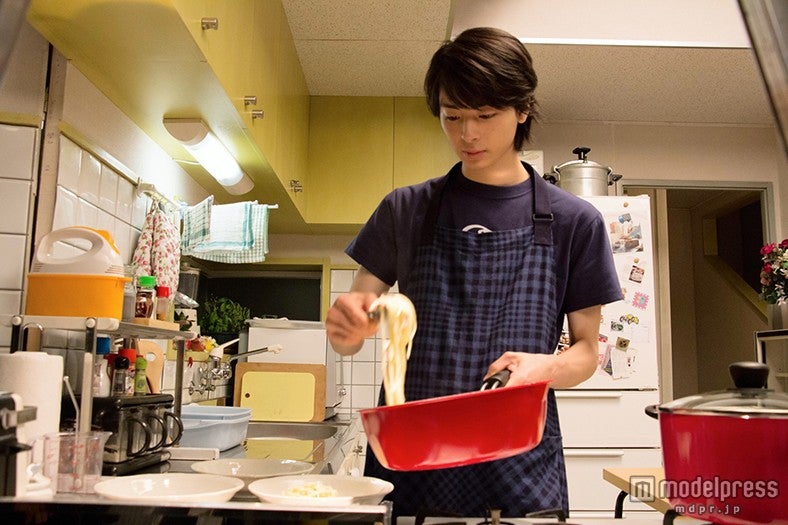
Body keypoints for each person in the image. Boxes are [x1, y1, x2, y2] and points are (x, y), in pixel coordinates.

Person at [325, 27, 623, 518]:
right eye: (453, 116)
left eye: (485, 116)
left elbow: (588, 352)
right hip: (415, 459)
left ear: (522, 109)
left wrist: (543, 369)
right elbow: (351, 330)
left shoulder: (574, 222)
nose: (467, 134)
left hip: (519, 464)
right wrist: (348, 327)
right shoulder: (405, 209)